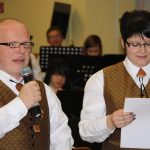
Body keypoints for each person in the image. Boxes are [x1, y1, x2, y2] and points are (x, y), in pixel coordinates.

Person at [79, 9, 150, 150]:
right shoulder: (100, 79)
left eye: (148, 44)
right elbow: (85, 131)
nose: (143, 51)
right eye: (135, 44)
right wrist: (110, 121)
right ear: (123, 43)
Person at [0, 18, 73, 150]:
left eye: (26, 44)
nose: (22, 50)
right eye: (13, 44)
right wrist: (21, 104)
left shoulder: (44, 89)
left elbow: (60, 134)